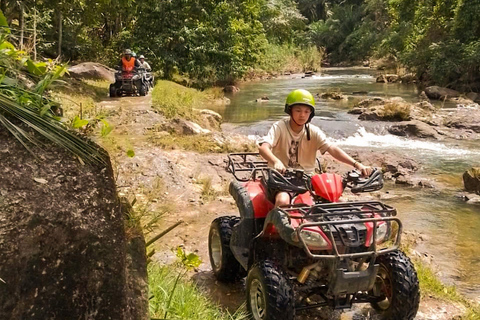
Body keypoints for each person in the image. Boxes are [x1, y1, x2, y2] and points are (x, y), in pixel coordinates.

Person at [257, 89, 373, 207]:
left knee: (337, 201)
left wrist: (357, 164)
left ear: (311, 114)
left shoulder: (313, 131)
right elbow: (263, 147)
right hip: (282, 178)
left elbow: (332, 148)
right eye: (298, 110)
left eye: (307, 111)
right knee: (283, 200)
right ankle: (276, 225)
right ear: (290, 110)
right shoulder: (280, 127)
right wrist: (276, 161)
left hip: (307, 179)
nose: (302, 115)